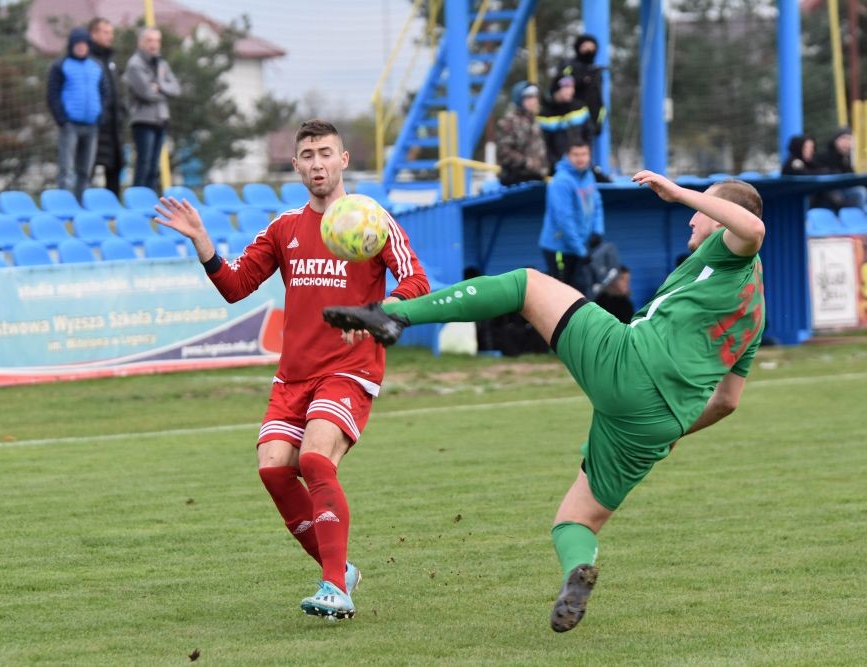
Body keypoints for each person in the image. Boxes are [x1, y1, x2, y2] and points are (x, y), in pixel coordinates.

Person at [324, 171, 765, 633]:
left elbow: (753, 229)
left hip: (628, 363)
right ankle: (577, 572)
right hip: (658, 423)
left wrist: (677, 192)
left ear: (723, 220)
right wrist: (677, 431)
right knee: (575, 521)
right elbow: (727, 402)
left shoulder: (733, 249)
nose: (694, 217)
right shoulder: (756, 312)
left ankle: (393, 314)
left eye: (705, 209)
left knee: (526, 284)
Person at [153, 119, 429, 621]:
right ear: (296, 164)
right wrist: (203, 245)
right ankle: (340, 570)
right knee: (274, 469)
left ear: (344, 160)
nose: (317, 162)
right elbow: (236, 286)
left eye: (326, 152)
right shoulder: (285, 228)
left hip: (349, 368)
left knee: (315, 460)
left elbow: (416, 283)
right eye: (307, 154)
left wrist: (375, 313)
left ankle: (333, 587)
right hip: (293, 376)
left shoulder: (372, 219)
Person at [47, 26, 107, 199]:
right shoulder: (60, 65)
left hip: (92, 126)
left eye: (84, 44)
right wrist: (62, 119)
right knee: (66, 169)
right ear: (72, 45)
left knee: (86, 170)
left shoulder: (97, 66)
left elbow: (104, 93)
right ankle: (64, 205)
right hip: (70, 125)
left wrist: (100, 115)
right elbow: (52, 94)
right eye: (77, 44)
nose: (81, 47)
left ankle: (82, 205)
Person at [539, 141, 604, 296]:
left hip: (580, 246)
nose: (580, 159)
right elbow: (564, 221)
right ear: (568, 156)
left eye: (584, 154)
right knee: (562, 296)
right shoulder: (561, 181)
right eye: (575, 155)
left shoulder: (588, 176)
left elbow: (597, 204)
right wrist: (581, 251)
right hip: (559, 248)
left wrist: (597, 230)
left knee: (580, 293)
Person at [124, 27, 181, 190]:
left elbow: (176, 89)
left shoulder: (162, 63)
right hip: (143, 120)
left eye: (157, 41)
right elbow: (147, 93)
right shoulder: (134, 64)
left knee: (154, 166)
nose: (154, 45)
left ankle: (150, 204)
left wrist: (160, 86)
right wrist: (163, 90)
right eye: (149, 40)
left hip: (161, 119)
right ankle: (137, 200)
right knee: (144, 163)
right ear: (140, 42)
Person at [89, 17, 126, 196]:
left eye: (111, 33)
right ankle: (82, 207)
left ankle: (114, 211)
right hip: (95, 124)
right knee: (88, 166)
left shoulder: (111, 59)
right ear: (93, 34)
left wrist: (122, 110)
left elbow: (117, 88)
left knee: (115, 166)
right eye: (105, 32)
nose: (109, 37)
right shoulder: (88, 59)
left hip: (114, 124)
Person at [495, 81, 549, 186]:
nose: (534, 101)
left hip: (537, 178)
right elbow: (504, 151)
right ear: (519, 99)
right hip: (516, 180)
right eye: (529, 97)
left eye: (535, 97)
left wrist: (544, 166)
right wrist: (527, 163)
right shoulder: (509, 122)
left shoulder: (535, 121)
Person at [537, 74, 592, 168]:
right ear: (556, 90)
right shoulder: (545, 114)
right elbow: (544, 146)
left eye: (571, 87)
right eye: (566, 87)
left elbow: (587, 137)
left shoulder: (580, 109)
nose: (570, 90)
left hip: (580, 165)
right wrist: (556, 165)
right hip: (556, 167)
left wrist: (583, 159)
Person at [559, 34, 606, 137]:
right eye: (585, 47)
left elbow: (599, 100)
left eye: (592, 47)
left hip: (589, 123)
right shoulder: (568, 66)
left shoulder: (596, 71)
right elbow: (560, 87)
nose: (588, 50)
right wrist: (580, 81)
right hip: (569, 121)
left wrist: (599, 122)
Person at [815, 127, 867, 211]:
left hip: (843, 191)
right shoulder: (824, 155)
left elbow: (851, 178)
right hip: (828, 194)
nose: (847, 143)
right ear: (836, 140)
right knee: (860, 192)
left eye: (849, 139)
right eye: (844, 138)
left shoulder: (846, 158)